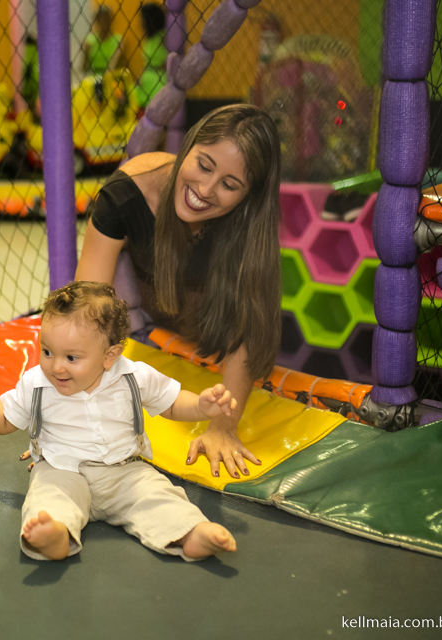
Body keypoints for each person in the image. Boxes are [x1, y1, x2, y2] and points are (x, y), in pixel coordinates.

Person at [0, 281, 238, 562]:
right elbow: (3, 419)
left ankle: (191, 532)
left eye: (71, 358)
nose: (56, 366)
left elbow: (172, 403)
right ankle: (55, 534)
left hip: (125, 471)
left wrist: (201, 406)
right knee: (47, 499)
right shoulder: (36, 383)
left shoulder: (134, 376)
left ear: (110, 355)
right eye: (47, 351)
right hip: (61, 471)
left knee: (158, 495)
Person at [74, 104, 283, 481]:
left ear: (247, 197)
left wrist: (222, 426)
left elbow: (249, 327)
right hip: (152, 305)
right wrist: (71, 404)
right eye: (203, 165)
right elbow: (85, 307)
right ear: (187, 147)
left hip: (207, 319)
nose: (205, 189)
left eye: (229, 185)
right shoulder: (126, 196)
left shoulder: (248, 226)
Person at [134, 3, 167, 107]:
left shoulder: (164, 36)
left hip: (161, 80)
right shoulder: (148, 38)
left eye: (142, 18)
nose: (139, 21)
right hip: (146, 79)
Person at [83, 6, 126, 75]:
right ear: (97, 20)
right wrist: (85, 53)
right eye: (102, 19)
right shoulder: (90, 40)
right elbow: (84, 68)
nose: (105, 22)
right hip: (93, 79)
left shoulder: (118, 40)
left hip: (111, 78)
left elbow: (114, 63)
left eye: (108, 18)